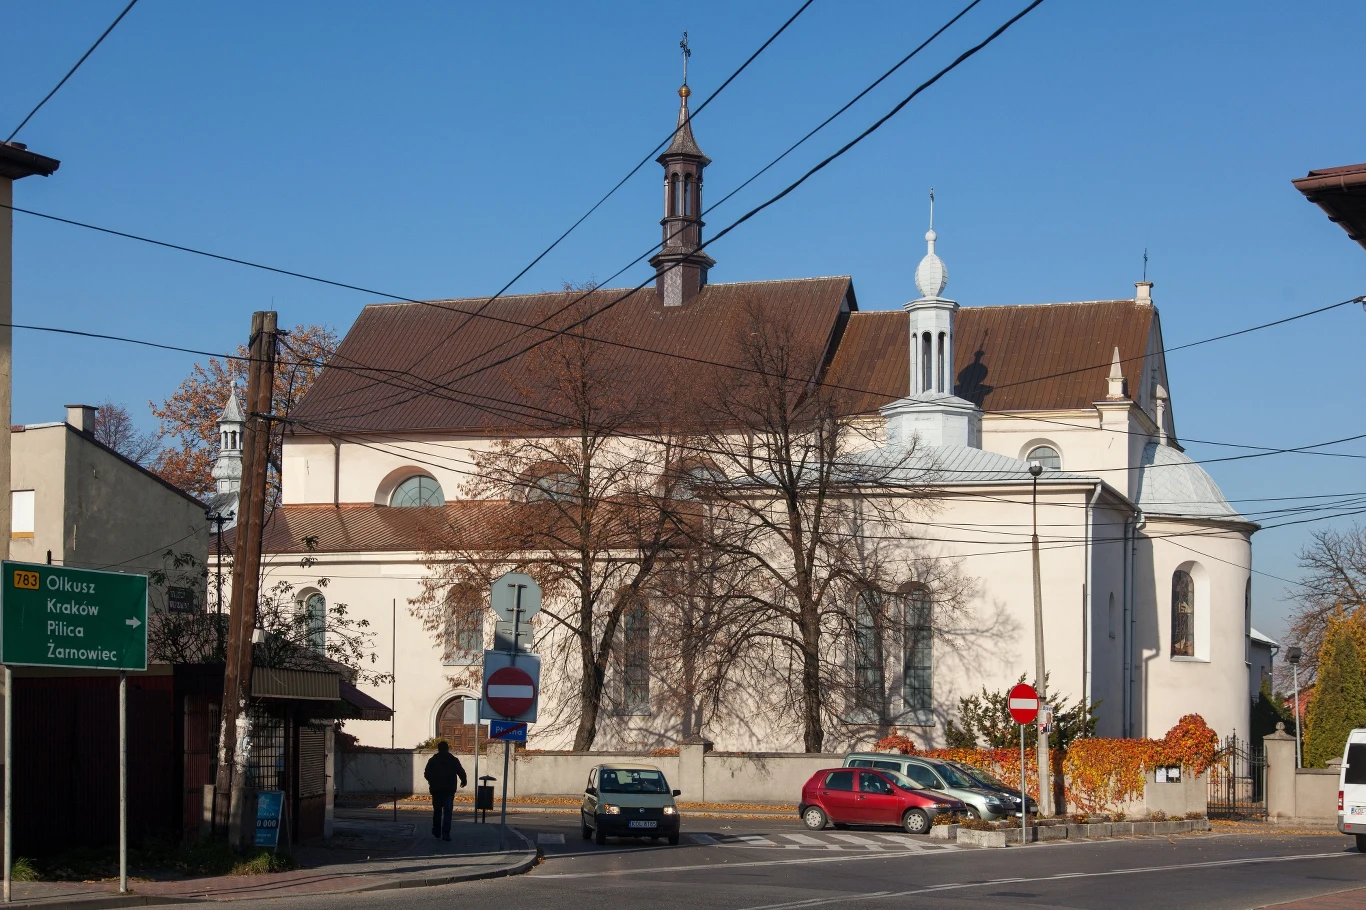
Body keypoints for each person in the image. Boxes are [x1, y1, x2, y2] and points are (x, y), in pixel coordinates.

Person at [423, 740, 467, 840]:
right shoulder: (453, 760)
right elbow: (461, 771)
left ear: (438, 749)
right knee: (447, 812)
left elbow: (426, 774)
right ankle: (446, 833)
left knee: (437, 811)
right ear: (447, 749)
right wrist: (463, 781)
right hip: (449, 790)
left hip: (436, 790)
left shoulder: (433, 760)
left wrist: (432, 781)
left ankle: (437, 831)